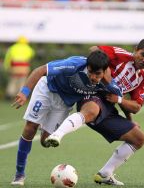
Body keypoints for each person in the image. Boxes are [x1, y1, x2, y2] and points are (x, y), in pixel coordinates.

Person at [45, 38, 144, 185]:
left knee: (139, 138)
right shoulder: (120, 54)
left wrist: (120, 103)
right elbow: (94, 50)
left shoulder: (142, 79)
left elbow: (136, 106)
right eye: (142, 54)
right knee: (92, 109)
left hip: (110, 107)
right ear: (136, 49)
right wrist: (106, 74)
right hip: (92, 93)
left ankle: (105, 174)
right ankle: (57, 135)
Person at [11, 50, 123, 186]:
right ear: (87, 66)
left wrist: (129, 118)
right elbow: (40, 70)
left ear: (105, 71)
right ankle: (19, 174)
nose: (93, 77)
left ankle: (44, 125)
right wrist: (24, 93)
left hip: (64, 104)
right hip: (47, 89)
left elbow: (120, 98)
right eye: (90, 71)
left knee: (45, 142)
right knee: (30, 127)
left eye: (97, 74)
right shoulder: (74, 64)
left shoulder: (109, 84)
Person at [3, 36, 35, 100]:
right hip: (24, 66)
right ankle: (21, 95)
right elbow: (31, 56)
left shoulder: (12, 48)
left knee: (13, 80)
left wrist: (7, 67)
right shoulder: (28, 48)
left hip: (15, 66)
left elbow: (8, 58)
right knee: (22, 81)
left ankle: (10, 94)